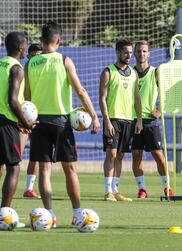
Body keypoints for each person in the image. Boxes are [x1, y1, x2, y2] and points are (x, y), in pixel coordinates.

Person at [25, 21, 100, 228]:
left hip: (39, 122)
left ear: (41, 41)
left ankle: (49, 215)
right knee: (70, 170)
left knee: (44, 170)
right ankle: (77, 213)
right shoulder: (65, 60)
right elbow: (81, 91)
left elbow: (27, 99)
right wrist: (94, 116)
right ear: (58, 40)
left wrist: (27, 123)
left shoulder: (30, 63)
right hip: (61, 122)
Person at [99, 38, 143, 202]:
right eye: (126, 52)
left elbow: (137, 98)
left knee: (121, 156)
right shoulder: (108, 71)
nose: (129, 55)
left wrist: (138, 119)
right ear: (118, 52)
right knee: (111, 154)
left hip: (128, 120)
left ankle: (115, 190)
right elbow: (102, 99)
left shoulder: (134, 73)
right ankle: (107, 191)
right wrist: (107, 121)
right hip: (113, 119)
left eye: (131, 52)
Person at [132, 40, 174, 198]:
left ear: (148, 53)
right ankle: (142, 189)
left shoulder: (155, 72)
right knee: (137, 154)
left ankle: (167, 186)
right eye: (139, 51)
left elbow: (168, 92)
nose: (141, 54)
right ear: (135, 53)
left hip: (150, 120)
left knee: (158, 154)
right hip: (134, 120)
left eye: (144, 51)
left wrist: (160, 110)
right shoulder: (130, 72)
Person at [0, 31, 34, 208]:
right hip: (6, 123)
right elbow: (13, 100)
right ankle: (4, 213)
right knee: (13, 167)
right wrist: (25, 122)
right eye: (26, 45)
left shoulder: (0, 64)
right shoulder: (16, 68)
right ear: (21, 47)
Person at [22, 43, 42, 199]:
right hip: (20, 116)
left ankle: (29, 188)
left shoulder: (44, 75)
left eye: (39, 57)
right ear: (28, 57)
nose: (36, 59)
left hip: (38, 117)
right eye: (33, 56)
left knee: (38, 153)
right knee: (14, 156)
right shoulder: (21, 72)